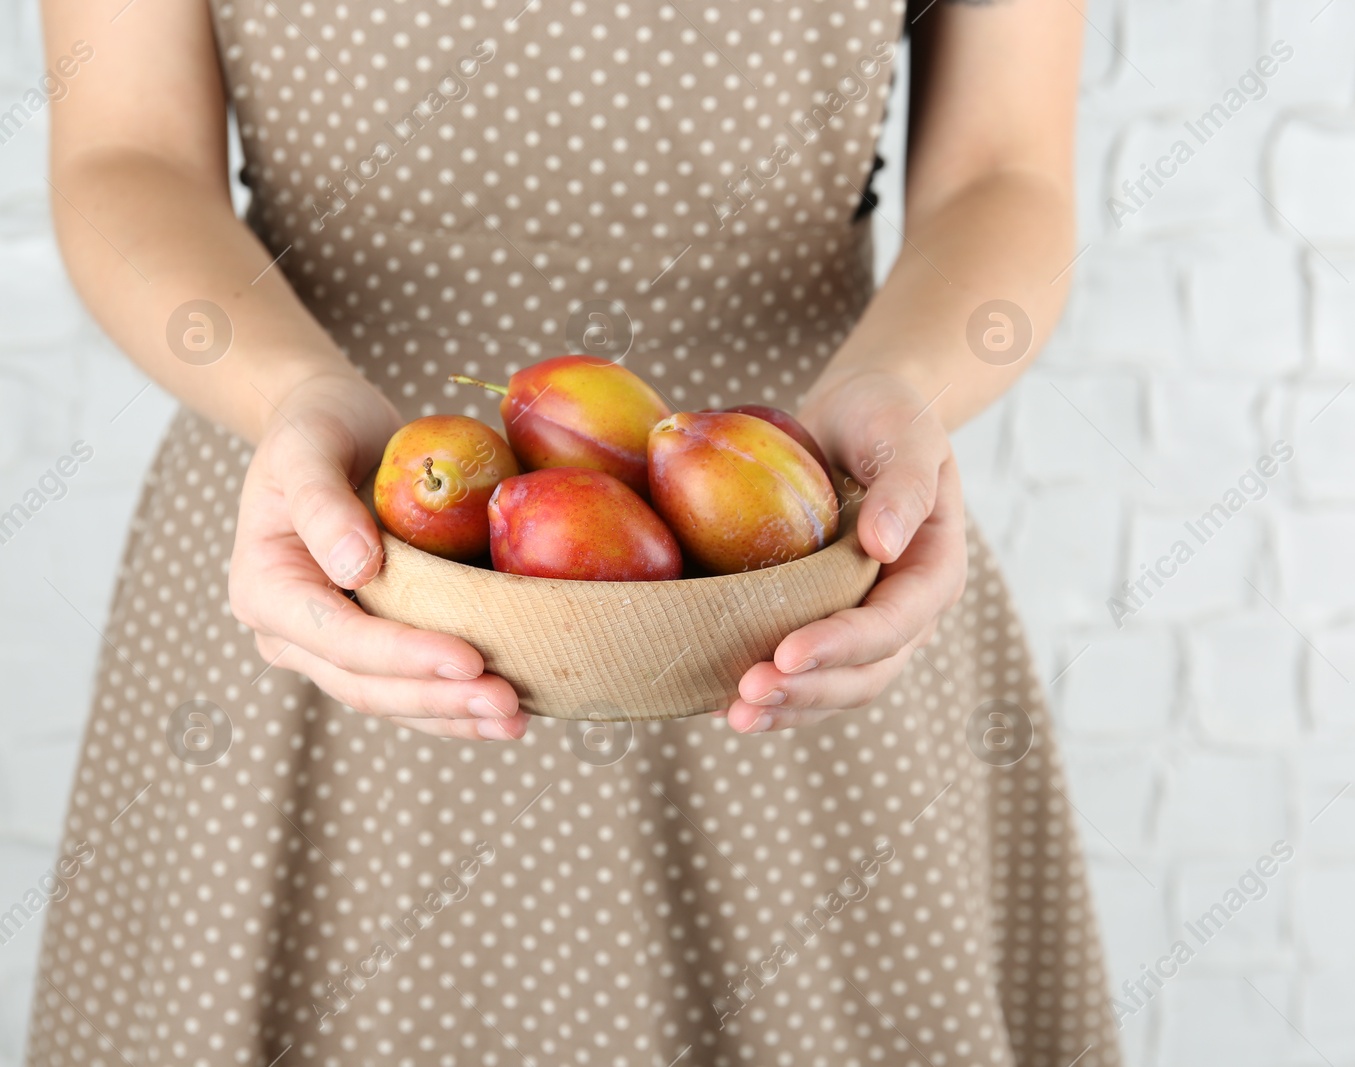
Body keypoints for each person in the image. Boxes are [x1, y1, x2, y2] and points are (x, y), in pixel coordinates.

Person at [28, 0, 1117, 1062]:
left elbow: (1002, 172)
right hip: (314, 543)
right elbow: (125, 155)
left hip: (797, 574)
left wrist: (900, 389)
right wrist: (291, 393)